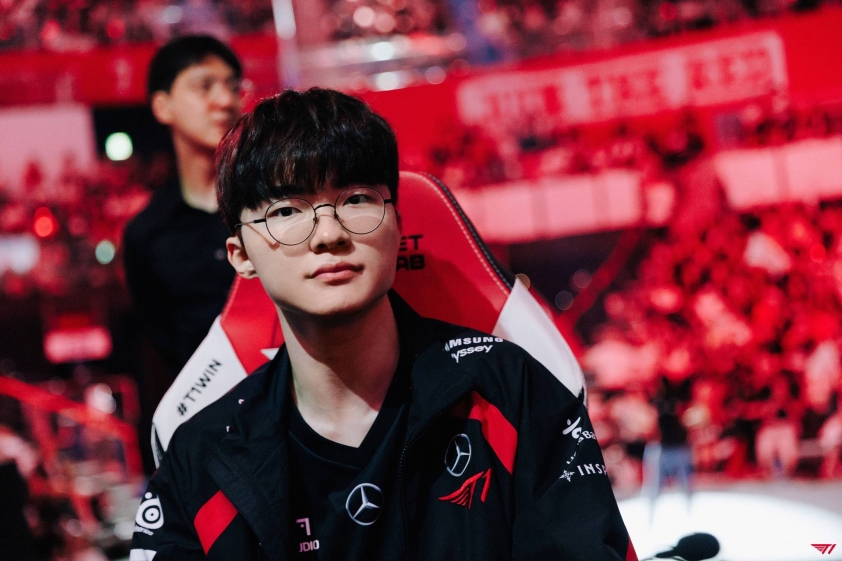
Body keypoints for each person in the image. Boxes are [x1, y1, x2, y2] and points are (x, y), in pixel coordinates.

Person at [130, 89, 635, 560]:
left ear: (398, 227)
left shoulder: (513, 392)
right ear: (241, 255)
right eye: (287, 210)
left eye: (355, 199)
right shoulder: (199, 458)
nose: (328, 234)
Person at [122, 36, 243, 472]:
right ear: (163, 106)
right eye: (204, 85)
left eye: (233, 86)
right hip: (210, 443)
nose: (225, 100)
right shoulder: (147, 234)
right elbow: (160, 353)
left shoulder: (274, 207)